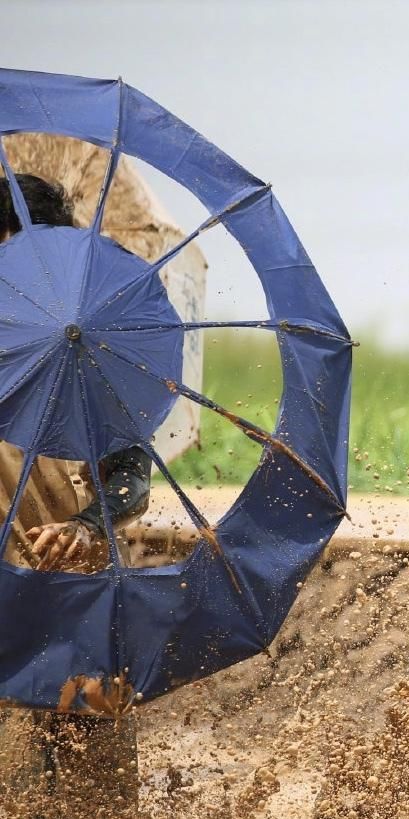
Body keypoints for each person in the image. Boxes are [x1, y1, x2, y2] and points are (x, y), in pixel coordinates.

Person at [0, 172, 149, 817]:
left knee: (99, 794)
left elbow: (131, 477)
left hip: (80, 602)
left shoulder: (92, 357)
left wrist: (88, 524)